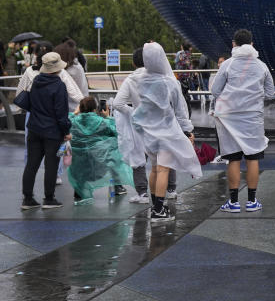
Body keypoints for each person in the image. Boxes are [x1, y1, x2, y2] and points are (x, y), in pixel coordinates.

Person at [210, 29, 275, 212]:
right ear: (252, 44)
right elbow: (270, 93)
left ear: (234, 44)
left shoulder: (227, 65)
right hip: (252, 117)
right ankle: (252, 201)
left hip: (229, 117)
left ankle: (233, 202)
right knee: (253, 157)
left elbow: (215, 91)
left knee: (233, 158)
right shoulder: (261, 66)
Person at [134, 42, 201, 221]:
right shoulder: (170, 82)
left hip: (149, 131)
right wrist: (187, 131)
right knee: (164, 169)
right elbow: (180, 110)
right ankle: (158, 210)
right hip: (166, 130)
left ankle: (155, 205)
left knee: (154, 169)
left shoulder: (141, 80)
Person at [114, 47, 172, 204]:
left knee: (139, 159)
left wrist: (133, 112)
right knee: (163, 160)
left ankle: (143, 193)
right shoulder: (159, 77)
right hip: (160, 124)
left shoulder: (130, 80)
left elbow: (118, 103)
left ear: (133, 63)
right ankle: (170, 189)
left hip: (139, 126)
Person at [20, 52, 72, 210]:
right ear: (57, 69)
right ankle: (49, 199)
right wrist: (66, 131)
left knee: (31, 164)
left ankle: (27, 199)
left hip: (34, 128)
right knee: (51, 165)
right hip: (52, 132)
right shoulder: (59, 86)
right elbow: (61, 114)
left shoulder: (36, 81)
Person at [67, 96, 135, 204]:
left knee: (82, 157)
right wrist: (108, 117)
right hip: (100, 163)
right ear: (95, 109)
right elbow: (116, 132)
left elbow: (65, 121)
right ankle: (117, 186)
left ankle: (79, 189)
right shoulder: (101, 122)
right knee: (112, 147)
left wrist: (75, 113)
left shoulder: (74, 122)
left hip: (80, 164)